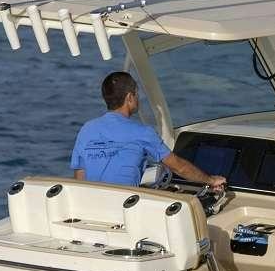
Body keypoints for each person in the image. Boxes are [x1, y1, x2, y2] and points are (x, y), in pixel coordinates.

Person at [70, 71, 228, 190]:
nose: (138, 99)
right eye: (137, 94)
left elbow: (80, 178)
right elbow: (178, 167)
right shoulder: (142, 132)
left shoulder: (86, 130)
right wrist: (211, 180)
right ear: (130, 97)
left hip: (90, 208)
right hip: (123, 209)